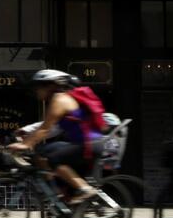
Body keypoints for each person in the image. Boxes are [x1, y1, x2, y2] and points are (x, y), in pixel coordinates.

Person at [8, 70, 106, 210]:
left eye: (38, 87)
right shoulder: (63, 99)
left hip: (88, 144)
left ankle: (85, 189)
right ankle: (67, 217)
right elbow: (53, 128)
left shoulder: (60, 99)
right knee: (44, 151)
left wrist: (25, 144)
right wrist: (27, 133)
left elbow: (45, 129)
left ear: (49, 86)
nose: (36, 91)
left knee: (54, 159)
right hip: (85, 144)